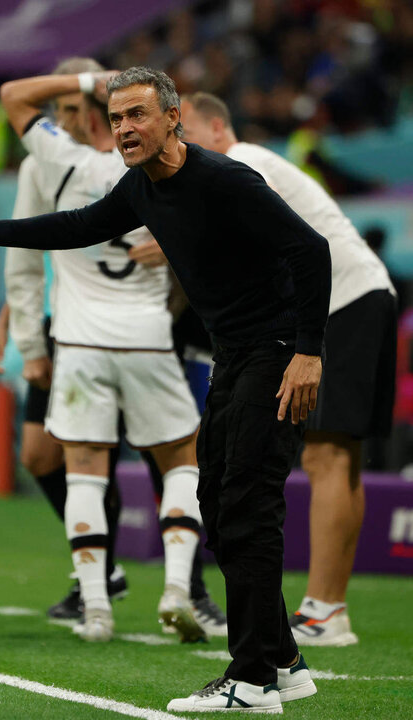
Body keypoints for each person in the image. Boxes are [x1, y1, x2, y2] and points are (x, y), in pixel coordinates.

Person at [0, 66, 327, 713]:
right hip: (236, 357)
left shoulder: (225, 181)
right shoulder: (139, 189)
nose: (125, 128)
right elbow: (72, 226)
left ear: (171, 117)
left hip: (274, 356)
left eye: (136, 115)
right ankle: (283, 660)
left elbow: (310, 251)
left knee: (246, 510)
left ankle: (250, 680)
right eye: (115, 119)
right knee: (217, 506)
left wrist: (307, 353)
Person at [0, 59, 212, 644]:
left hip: (81, 343)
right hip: (146, 337)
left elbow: (13, 93)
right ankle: (179, 588)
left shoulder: (59, 162)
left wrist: (91, 80)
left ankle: (95, 609)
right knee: (181, 462)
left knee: (83, 470)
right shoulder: (159, 174)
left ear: (85, 119)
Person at [180, 91, 397, 647]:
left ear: (216, 128)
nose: (181, 146)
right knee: (339, 457)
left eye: (188, 132)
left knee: (326, 455)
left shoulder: (244, 160)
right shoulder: (250, 166)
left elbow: (268, 240)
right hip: (364, 296)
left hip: (344, 303)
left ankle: (324, 609)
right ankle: (330, 608)